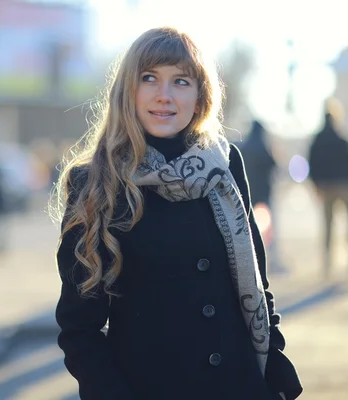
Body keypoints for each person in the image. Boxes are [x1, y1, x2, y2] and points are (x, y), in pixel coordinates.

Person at [51, 27, 302, 400]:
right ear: (127, 92)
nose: (164, 96)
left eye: (181, 81)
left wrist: (276, 371)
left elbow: (257, 286)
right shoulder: (94, 181)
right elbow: (79, 328)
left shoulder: (225, 165)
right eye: (149, 78)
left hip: (241, 385)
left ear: (200, 97)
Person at [308, 98, 348, 278]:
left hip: (325, 187)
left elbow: (312, 163)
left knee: (328, 225)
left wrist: (316, 184)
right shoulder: (341, 139)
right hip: (342, 185)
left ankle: (327, 262)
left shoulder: (317, 140)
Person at [239, 119, 284, 273]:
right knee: (269, 228)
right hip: (264, 193)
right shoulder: (263, 147)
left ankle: (252, 261)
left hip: (248, 195)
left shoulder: (245, 147)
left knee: (250, 228)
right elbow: (274, 166)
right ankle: (272, 259)